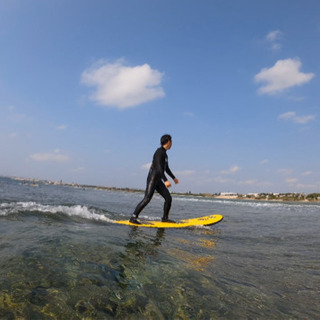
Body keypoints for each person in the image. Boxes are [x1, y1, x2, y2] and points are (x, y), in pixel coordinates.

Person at [129, 134, 179, 224]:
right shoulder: (159, 152)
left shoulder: (165, 154)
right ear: (168, 142)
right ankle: (133, 217)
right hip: (152, 179)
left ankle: (165, 218)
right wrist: (166, 180)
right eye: (171, 142)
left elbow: (166, 168)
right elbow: (158, 167)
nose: (172, 144)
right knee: (147, 198)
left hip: (158, 180)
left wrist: (174, 178)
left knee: (168, 198)